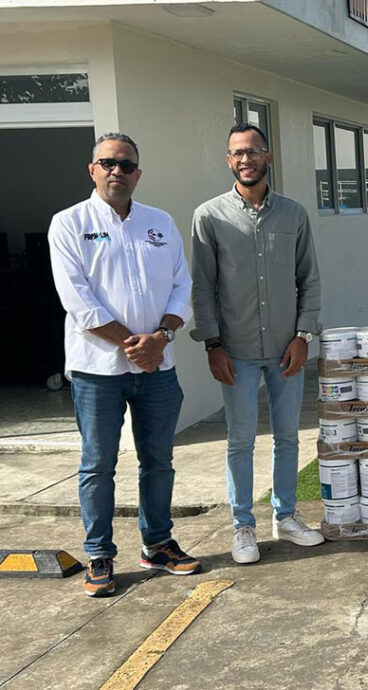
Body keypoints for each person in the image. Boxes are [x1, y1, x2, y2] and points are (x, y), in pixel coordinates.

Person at [48, 133, 201, 597]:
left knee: (158, 461)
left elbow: (182, 287)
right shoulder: (69, 224)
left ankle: (157, 543)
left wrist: (161, 338)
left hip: (158, 367)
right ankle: (99, 553)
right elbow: (78, 301)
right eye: (108, 163)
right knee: (98, 464)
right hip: (98, 371)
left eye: (127, 164)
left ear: (138, 172)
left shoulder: (160, 223)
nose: (118, 171)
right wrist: (134, 344)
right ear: (91, 169)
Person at [191, 123, 323, 564]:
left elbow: (309, 279)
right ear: (228, 161)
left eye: (252, 151)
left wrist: (304, 336)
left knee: (288, 437)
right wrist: (213, 343)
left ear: (267, 157)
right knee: (240, 440)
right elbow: (202, 286)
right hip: (237, 351)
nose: (244, 159)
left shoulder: (293, 214)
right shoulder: (209, 216)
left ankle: (285, 516)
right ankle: (242, 526)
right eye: (236, 153)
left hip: (287, 348)